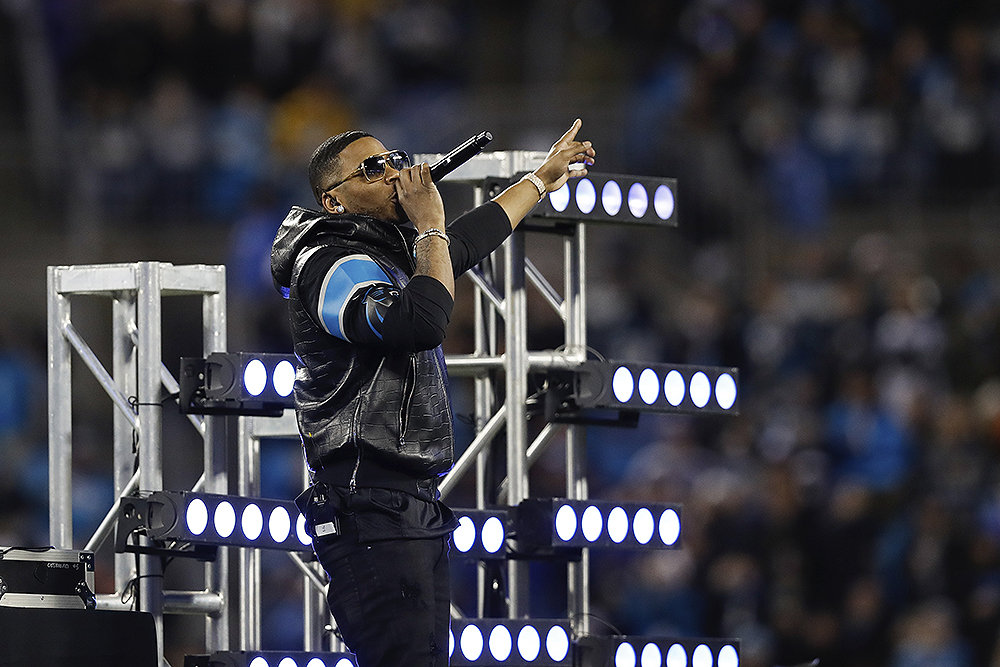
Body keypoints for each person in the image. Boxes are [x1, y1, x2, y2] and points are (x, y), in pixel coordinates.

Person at [270, 119, 595, 667]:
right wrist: (430, 227)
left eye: (393, 158)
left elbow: (464, 241)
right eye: (372, 169)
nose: (393, 172)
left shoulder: (388, 253)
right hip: (368, 501)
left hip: (406, 503)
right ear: (334, 200)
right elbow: (419, 321)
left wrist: (541, 179)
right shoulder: (326, 262)